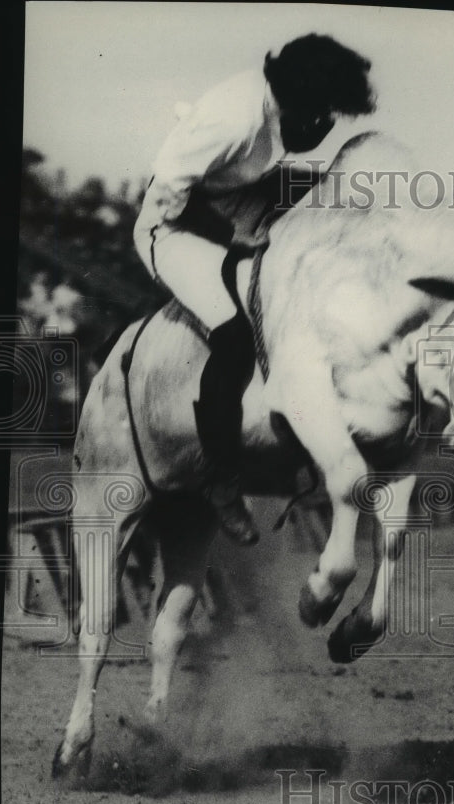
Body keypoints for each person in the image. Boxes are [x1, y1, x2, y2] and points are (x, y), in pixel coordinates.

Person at [134, 34, 376, 542]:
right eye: (323, 108)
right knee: (235, 336)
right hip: (173, 228)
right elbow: (165, 191)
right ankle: (220, 482)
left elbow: (265, 164)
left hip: (234, 199)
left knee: (347, 196)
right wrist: (231, 240)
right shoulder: (234, 117)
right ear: (301, 93)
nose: (325, 119)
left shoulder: (277, 105)